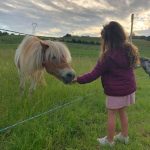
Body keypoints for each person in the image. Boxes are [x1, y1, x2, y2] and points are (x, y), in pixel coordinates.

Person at [72, 21, 139, 147]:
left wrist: (78, 79)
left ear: (108, 39)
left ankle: (109, 141)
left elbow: (93, 74)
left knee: (112, 114)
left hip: (115, 92)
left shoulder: (107, 56)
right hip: (129, 90)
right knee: (123, 112)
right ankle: (125, 136)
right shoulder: (129, 50)